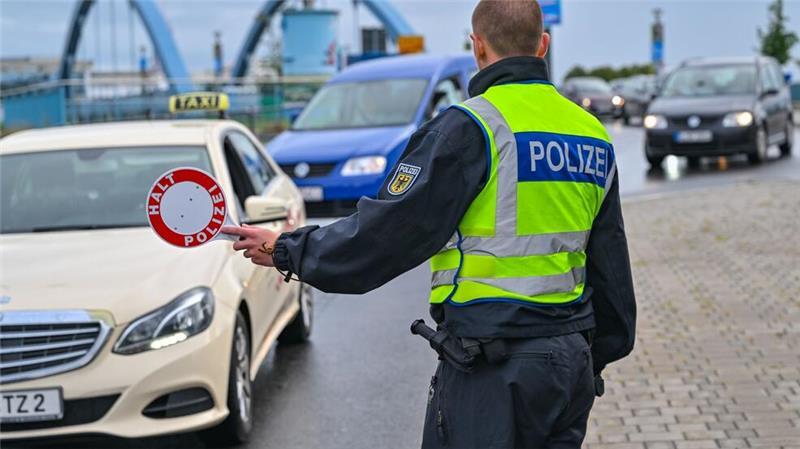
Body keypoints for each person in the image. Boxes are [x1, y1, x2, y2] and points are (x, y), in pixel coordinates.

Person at [222, 1, 637, 447]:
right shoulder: (590, 132)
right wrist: (594, 354)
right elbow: (610, 260)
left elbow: (386, 235)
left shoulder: (472, 127)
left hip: (494, 369)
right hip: (569, 363)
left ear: (477, 46)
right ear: (544, 44)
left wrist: (287, 249)